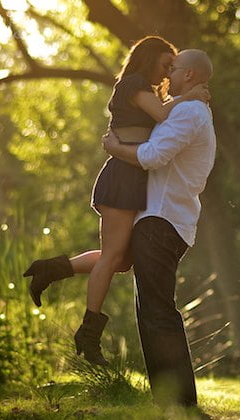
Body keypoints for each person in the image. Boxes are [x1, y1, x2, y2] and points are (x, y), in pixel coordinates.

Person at [22, 36, 209, 367]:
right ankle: (89, 333)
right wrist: (190, 96)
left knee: (120, 260)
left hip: (132, 178)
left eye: (173, 68)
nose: (167, 74)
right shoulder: (134, 84)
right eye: (165, 65)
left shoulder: (146, 90)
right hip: (122, 176)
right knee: (112, 258)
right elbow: (164, 117)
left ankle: (50, 270)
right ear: (148, 59)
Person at [102, 48, 216, 407]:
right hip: (159, 219)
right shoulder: (184, 109)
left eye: (174, 68)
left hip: (161, 221)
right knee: (151, 313)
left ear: (191, 76)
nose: (168, 73)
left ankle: (179, 404)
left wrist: (115, 147)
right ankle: (170, 400)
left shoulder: (188, 111)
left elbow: (152, 156)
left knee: (158, 314)